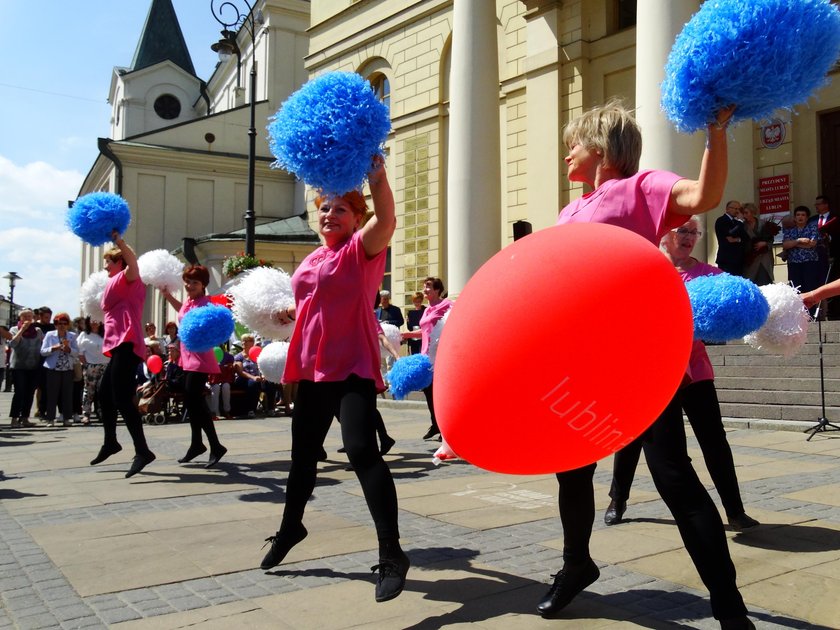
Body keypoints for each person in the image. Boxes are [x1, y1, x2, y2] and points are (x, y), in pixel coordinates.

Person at [535, 101, 753, 630]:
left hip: (637, 359)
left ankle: (729, 605)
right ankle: (576, 564)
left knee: (674, 477)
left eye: (575, 143)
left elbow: (704, 196)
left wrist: (716, 134)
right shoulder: (567, 212)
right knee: (572, 470)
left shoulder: (641, 187)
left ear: (603, 149)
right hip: (581, 361)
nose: (568, 151)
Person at [260, 156, 409, 603]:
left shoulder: (360, 250)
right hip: (311, 365)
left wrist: (376, 175)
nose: (329, 214)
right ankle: (291, 528)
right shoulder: (310, 261)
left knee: (362, 450)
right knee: (302, 457)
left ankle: (392, 553)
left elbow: (387, 217)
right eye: (324, 208)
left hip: (351, 365)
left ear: (356, 218)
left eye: (340, 209)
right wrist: (288, 313)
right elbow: (308, 303)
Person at [605, 217, 760, 533]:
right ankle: (617, 498)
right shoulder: (643, 269)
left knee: (714, 439)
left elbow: (731, 303)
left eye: (695, 232)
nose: (690, 237)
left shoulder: (707, 274)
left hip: (695, 369)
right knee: (633, 439)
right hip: (653, 371)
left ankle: (735, 509)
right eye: (683, 231)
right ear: (665, 233)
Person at [91, 231, 156, 478]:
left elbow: (133, 262)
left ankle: (143, 451)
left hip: (128, 344)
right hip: (119, 345)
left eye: (109, 261)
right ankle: (111, 442)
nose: (105, 264)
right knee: (104, 394)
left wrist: (119, 241)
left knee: (120, 398)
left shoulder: (130, 278)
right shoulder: (114, 282)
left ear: (120, 262)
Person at [161, 265, 228, 467]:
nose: (190, 286)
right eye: (188, 282)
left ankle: (215, 446)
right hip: (186, 357)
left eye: (195, 283)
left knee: (195, 401)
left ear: (203, 285)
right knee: (191, 402)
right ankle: (197, 444)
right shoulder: (189, 303)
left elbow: (214, 327)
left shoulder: (206, 305)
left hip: (200, 358)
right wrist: (167, 295)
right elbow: (182, 313)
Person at [402, 277, 452, 440]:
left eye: (428, 286)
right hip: (426, 357)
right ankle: (436, 425)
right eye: (424, 286)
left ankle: (446, 428)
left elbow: (454, 323)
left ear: (437, 290)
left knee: (441, 394)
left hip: (440, 356)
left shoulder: (446, 305)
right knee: (429, 392)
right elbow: (425, 331)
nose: (425, 289)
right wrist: (408, 334)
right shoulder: (427, 309)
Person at [40, 312, 79, 427]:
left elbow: (77, 352)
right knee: (52, 394)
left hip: (67, 368)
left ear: (67, 325)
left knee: (67, 394)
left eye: (64, 323)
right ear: (55, 324)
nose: (62, 325)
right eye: (59, 323)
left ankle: (67, 418)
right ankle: (50, 419)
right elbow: (42, 351)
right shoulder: (49, 335)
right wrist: (54, 348)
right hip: (53, 368)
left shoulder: (72, 335)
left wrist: (69, 349)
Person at [7, 309, 43, 428]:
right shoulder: (14, 329)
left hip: (33, 366)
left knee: (29, 393)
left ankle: (25, 418)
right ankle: (14, 418)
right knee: (19, 392)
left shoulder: (37, 331)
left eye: (30, 316)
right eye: (25, 316)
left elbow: (43, 346)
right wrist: (22, 330)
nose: (28, 318)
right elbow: (12, 344)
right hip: (19, 366)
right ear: (20, 318)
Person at [782, 206, 821, 303]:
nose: (800, 217)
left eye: (803, 215)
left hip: (810, 262)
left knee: (810, 287)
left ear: (807, 218)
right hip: (794, 263)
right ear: (794, 218)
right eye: (798, 215)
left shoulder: (812, 228)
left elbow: (812, 244)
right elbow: (785, 245)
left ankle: (811, 315)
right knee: (795, 289)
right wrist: (799, 241)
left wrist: (794, 244)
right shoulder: (790, 230)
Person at [810, 195, 840, 319]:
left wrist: (830, 238)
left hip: (833, 257)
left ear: (826, 204)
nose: (816, 207)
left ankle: (833, 314)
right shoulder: (812, 220)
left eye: (818, 204)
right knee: (816, 282)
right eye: (815, 205)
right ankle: (816, 313)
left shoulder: (835, 218)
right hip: (815, 257)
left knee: (831, 282)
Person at [77, 318, 109, 425]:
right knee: (89, 391)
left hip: (105, 365)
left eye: (97, 320)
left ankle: (102, 413)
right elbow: (80, 352)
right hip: (90, 365)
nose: (94, 323)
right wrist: (86, 364)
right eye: (92, 321)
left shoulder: (105, 334)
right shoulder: (84, 335)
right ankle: (86, 414)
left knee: (103, 390)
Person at [740, 202, 775, 285]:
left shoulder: (764, 224)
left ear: (752, 212)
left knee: (764, 280)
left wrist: (765, 243)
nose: (745, 215)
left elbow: (771, 240)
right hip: (751, 258)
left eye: (746, 213)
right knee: (750, 280)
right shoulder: (742, 226)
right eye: (743, 213)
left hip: (764, 257)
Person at [232, 335, 265, 418]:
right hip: (243, 378)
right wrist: (253, 377)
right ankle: (251, 410)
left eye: (247, 341)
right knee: (253, 383)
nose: (244, 342)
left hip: (256, 377)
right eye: (243, 341)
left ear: (252, 343)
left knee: (270, 383)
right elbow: (240, 372)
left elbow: (262, 367)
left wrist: (263, 375)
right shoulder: (238, 357)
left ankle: (271, 409)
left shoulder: (257, 355)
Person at [714, 201, 748, 276]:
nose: (737, 211)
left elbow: (745, 238)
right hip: (726, 259)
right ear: (727, 209)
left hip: (738, 259)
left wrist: (737, 239)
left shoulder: (737, 222)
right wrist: (740, 221)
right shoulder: (721, 220)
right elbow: (730, 233)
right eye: (735, 208)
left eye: (739, 209)